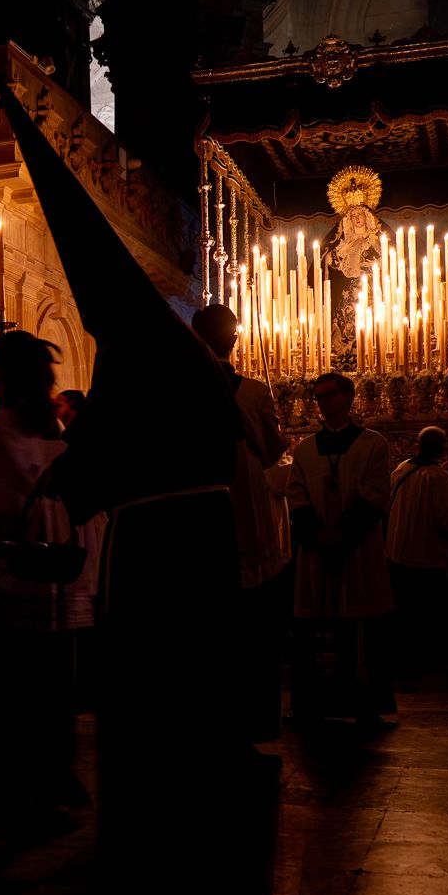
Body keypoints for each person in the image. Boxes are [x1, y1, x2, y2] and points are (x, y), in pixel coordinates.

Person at [0, 331, 100, 840]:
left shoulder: (2, 434)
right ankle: (41, 781)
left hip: (20, 578)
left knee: (16, 694)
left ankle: (23, 788)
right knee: (46, 691)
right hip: (52, 581)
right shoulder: (54, 433)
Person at [193, 303, 290, 742]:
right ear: (233, 340)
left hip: (197, 512)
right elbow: (270, 452)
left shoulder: (178, 389)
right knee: (252, 628)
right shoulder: (251, 392)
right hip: (244, 507)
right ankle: (250, 725)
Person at [286, 371, 395, 726]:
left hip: (357, 550)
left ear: (348, 398)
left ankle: (364, 704)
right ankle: (313, 704)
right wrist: (318, 533)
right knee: (315, 626)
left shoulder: (372, 445)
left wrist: (342, 535)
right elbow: (296, 496)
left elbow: (376, 493)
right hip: (319, 550)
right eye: (318, 396)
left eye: (329, 395)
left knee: (359, 623)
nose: (322, 402)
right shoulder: (304, 449)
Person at [385, 425, 448, 681]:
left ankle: (402, 654)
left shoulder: (401, 470)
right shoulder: (439, 479)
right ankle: (424, 658)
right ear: (440, 449)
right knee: (426, 612)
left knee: (404, 608)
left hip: (397, 552)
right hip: (427, 557)